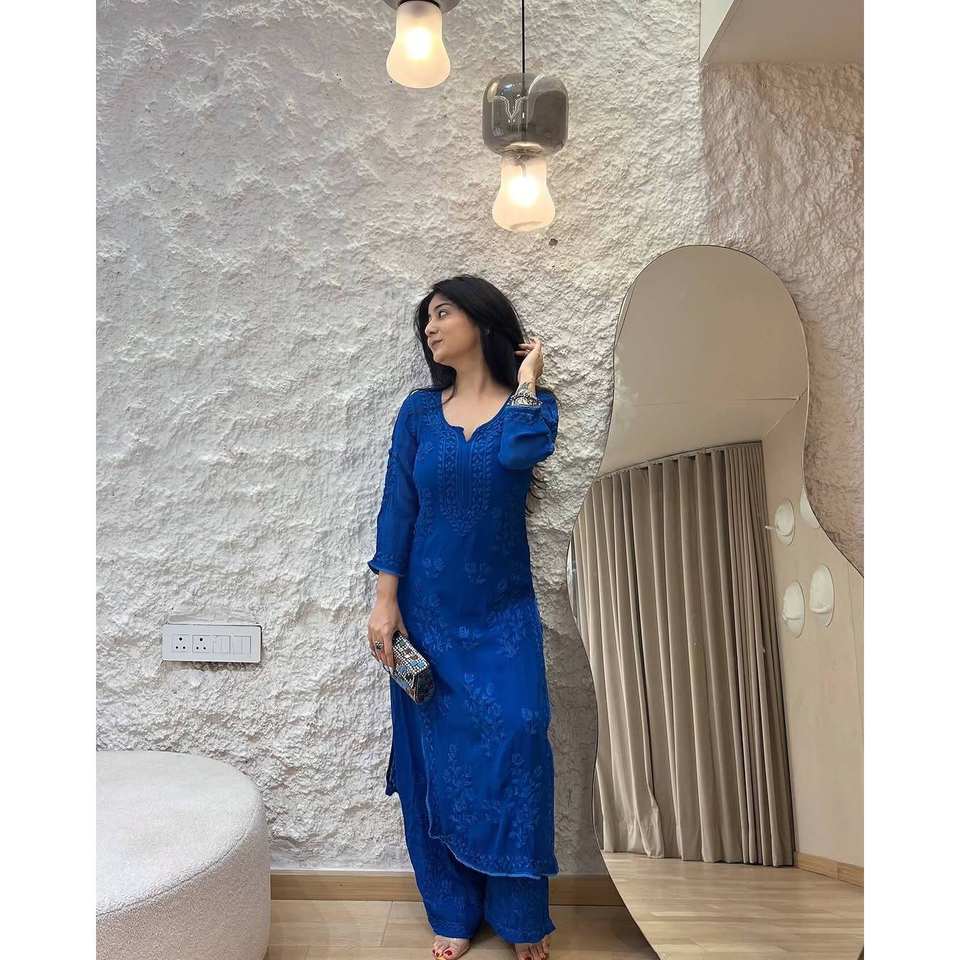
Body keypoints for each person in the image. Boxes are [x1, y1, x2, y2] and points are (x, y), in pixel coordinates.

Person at [366, 275, 561, 960]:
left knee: (520, 737)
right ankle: (451, 909)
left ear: (482, 319)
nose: (430, 328)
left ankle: (519, 915)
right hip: (426, 618)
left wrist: (528, 380)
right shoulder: (419, 414)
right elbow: (399, 506)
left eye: (443, 313)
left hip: (503, 615)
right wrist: (385, 601)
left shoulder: (530, 411)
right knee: (433, 761)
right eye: (426, 320)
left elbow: (520, 453)